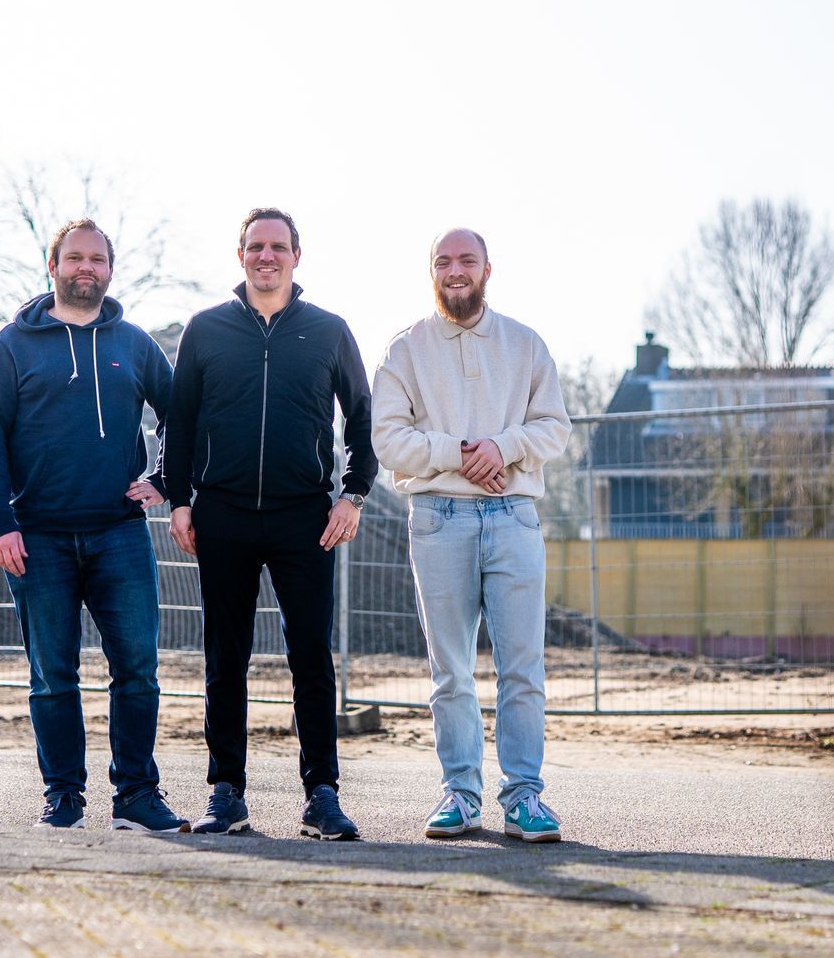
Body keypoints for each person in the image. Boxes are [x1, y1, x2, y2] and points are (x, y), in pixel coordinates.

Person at [0, 218, 189, 833]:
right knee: (52, 676)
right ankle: (63, 796)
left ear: (110, 270)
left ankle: (137, 797)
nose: (84, 267)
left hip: (119, 531)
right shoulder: (13, 344)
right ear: (53, 266)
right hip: (36, 538)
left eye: (96, 259)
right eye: (73, 258)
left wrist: (167, 481)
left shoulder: (135, 344)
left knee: (138, 669)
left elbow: (181, 418)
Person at [162, 208, 375, 841]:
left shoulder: (329, 331)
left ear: (296, 257)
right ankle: (226, 793)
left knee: (311, 656)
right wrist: (179, 500)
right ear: (240, 255)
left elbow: (362, 419)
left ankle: (322, 795)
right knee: (225, 657)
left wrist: (353, 495)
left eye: (278, 247)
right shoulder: (205, 330)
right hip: (221, 512)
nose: (267, 256)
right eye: (256, 246)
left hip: (304, 516)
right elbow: (179, 421)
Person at [371, 228, 572, 842]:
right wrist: (461, 454)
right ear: (430, 272)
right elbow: (387, 440)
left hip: (513, 518)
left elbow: (555, 429)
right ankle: (460, 794)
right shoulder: (404, 351)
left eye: (466, 260)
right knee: (451, 670)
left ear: (489, 269)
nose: (455, 270)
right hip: (438, 520)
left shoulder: (526, 345)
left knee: (522, 669)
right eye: (443, 262)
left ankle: (524, 798)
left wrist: (502, 448)